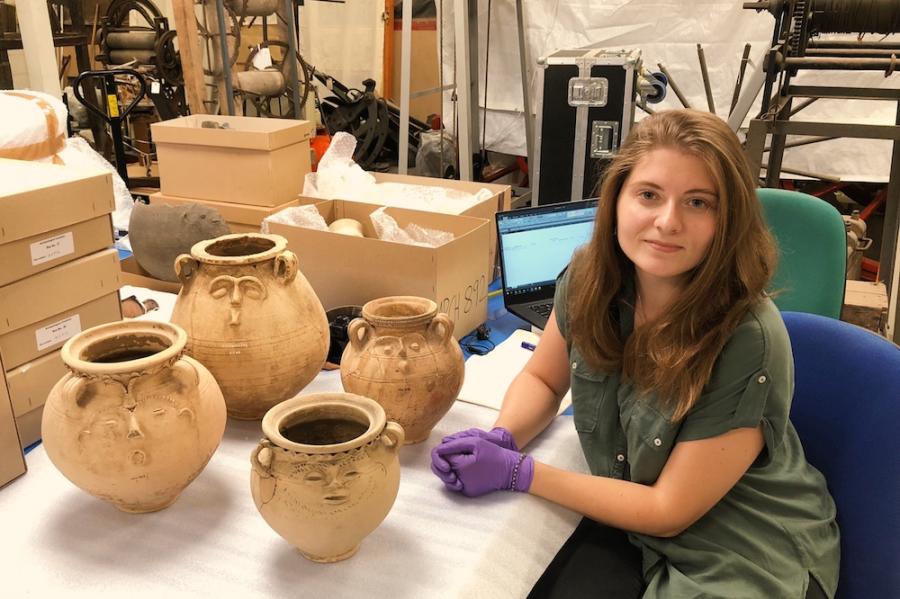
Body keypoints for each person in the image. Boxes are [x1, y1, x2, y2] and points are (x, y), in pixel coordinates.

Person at [430, 109, 840, 599]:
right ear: (618, 199)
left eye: (698, 203)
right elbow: (543, 379)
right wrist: (504, 436)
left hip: (743, 548)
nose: (667, 222)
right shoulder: (588, 279)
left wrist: (518, 472)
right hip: (632, 518)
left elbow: (669, 510)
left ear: (727, 221)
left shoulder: (745, 336)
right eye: (649, 195)